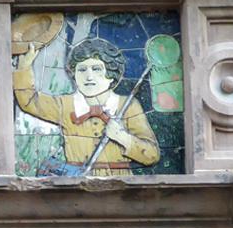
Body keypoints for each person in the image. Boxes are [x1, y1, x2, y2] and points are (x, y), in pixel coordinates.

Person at [14, 38, 160, 177]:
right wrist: (24, 68)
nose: (89, 77)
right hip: (77, 181)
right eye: (82, 70)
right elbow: (30, 102)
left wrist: (123, 137)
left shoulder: (128, 106)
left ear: (111, 74)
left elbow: (152, 155)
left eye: (96, 69)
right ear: (74, 74)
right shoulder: (65, 105)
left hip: (119, 182)